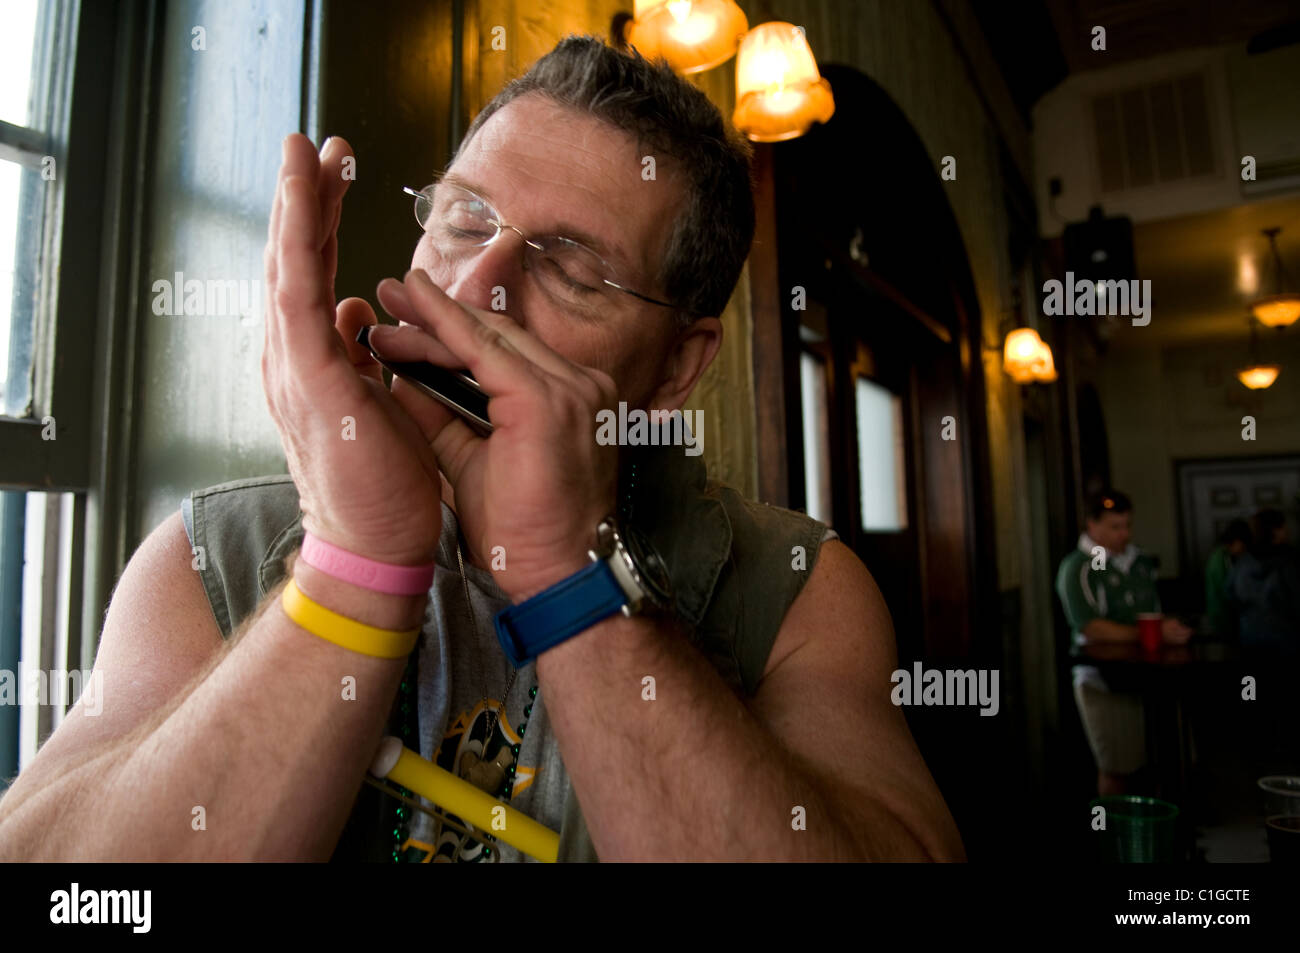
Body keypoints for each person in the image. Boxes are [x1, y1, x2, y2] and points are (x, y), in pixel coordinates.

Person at [0, 36, 964, 862]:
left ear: (676, 366)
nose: (480, 287)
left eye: (574, 270)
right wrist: (352, 564)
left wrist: (563, 581)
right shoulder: (215, 551)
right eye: (465, 221)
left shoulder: (794, 589)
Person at [1055, 489, 1192, 796]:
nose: (1123, 534)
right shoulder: (1080, 567)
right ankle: (1112, 837)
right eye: (1115, 527)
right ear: (1092, 525)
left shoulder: (1140, 561)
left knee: (1156, 761)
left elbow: (1152, 609)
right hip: (1104, 680)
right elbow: (1090, 626)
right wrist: (1147, 633)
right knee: (1117, 765)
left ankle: (1158, 834)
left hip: (1149, 677)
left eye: (1127, 525)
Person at [1228, 509, 1300, 660]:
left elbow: (1231, 596)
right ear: (1277, 530)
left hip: (1250, 636)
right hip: (1286, 639)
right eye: (1283, 527)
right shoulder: (1289, 561)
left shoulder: (1242, 562)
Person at [1205, 518, 1251, 637]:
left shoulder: (1229, 557)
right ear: (1236, 541)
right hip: (1221, 616)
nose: (1243, 550)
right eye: (1242, 545)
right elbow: (1224, 589)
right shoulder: (1219, 559)